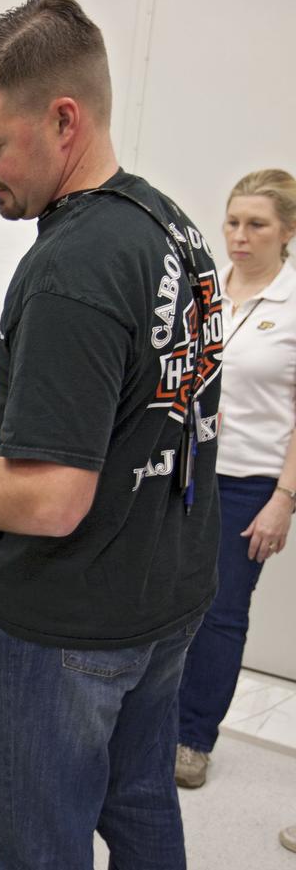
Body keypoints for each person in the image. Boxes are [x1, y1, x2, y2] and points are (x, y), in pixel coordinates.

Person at [0, 0, 223, 867]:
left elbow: (53, 497)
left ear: (64, 119)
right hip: (165, 591)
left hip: (74, 623)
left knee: (34, 835)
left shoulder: (69, 268)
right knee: (138, 799)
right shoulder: (172, 229)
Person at [176, 169, 296, 789]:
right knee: (168, 601)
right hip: (186, 468)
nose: (240, 236)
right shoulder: (206, 291)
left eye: (257, 225)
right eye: (232, 222)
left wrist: (284, 499)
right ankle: (151, 723)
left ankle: (192, 740)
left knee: (220, 614)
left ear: (288, 231)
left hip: (251, 482)